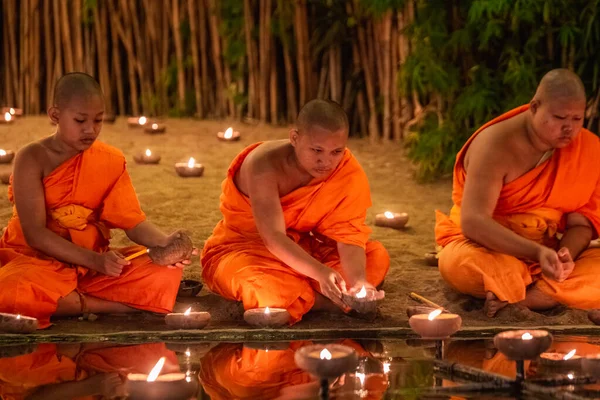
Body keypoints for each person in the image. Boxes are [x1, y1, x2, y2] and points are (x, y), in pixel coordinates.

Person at [0, 72, 193, 329]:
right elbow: (35, 234)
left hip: (92, 265)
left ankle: (70, 300)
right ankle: (104, 305)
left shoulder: (108, 160)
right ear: (55, 115)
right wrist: (96, 262)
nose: (90, 129)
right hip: (34, 260)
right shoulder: (32, 158)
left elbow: (132, 223)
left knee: (163, 271)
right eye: (80, 120)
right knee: (11, 289)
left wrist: (164, 243)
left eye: (98, 120)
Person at [201, 99, 389, 324]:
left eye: (336, 151)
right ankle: (326, 301)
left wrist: (358, 282)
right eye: (317, 150)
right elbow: (273, 238)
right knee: (265, 288)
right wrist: (319, 273)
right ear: (294, 138)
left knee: (375, 256)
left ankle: (311, 295)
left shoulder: (346, 171)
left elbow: (348, 234)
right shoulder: (262, 165)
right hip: (247, 250)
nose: (326, 161)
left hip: (304, 250)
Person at [435, 69, 600, 317]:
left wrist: (564, 256)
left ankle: (523, 299)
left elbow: (580, 223)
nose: (569, 129)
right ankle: (537, 292)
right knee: (464, 265)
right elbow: (474, 222)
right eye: (560, 118)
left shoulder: (588, 149)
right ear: (534, 107)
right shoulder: (495, 145)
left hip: (549, 250)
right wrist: (536, 253)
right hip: (488, 247)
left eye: (577, 119)